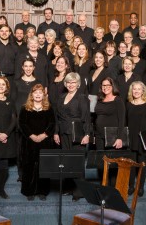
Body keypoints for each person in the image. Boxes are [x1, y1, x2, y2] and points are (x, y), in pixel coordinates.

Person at [54, 72, 91, 201]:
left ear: (78, 84)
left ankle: (79, 191)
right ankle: (69, 188)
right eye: (68, 82)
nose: (70, 84)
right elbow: (57, 118)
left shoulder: (82, 97)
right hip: (63, 133)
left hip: (78, 134)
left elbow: (86, 118)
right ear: (65, 84)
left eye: (73, 82)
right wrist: (55, 132)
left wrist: (87, 134)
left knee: (77, 162)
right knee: (67, 162)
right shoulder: (61, 97)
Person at [18, 84, 56, 201]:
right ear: (32, 94)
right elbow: (22, 124)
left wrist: (43, 135)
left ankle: (42, 191)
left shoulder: (49, 108)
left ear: (44, 95)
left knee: (43, 167)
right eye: (36, 92)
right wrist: (32, 136)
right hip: (29, 142)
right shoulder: (25, 108)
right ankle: (29, 191)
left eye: (40, 92)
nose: (38, 94)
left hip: (44, 142)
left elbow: (52, 124)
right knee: (29, 167)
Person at [126, 81, 146, 196]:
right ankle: (131, 186)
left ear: (143, 91)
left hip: (143, 138)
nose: (136, 91)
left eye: (138, 89)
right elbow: (125, 122)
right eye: (134, 89)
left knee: (142, 163)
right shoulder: (128, 104)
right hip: (131, 137)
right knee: (131, 164)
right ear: (131, 91)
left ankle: (140, 187)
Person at [93, 77, 126, 150]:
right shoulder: (99, 100)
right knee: (100, 159)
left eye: (108, 85)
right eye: (103, 85)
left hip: (112, 136)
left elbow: (122, 120)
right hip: (99, 135)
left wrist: (119, 138)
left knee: (111, 160)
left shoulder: (118, 100)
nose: (105, 87)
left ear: (112, 86)